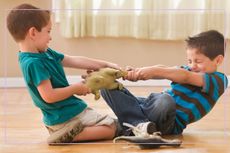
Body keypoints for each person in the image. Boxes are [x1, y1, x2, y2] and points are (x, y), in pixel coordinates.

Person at [6, 3, 121, 144]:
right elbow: (49, 96)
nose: (50, 37)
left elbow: (73, 60)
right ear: (33, 33)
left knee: (111, 123)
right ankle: (69, 134)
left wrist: (105, 64)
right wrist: (76, 88)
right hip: (64, 117)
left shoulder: (45, 52)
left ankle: (66, 131)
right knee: (112, 128)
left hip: (68, 113)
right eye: (48, 31)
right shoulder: (32, 63)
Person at [101, 30, 228, 136]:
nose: (192, 66)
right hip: (149, 109)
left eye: (198, 61)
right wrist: (137, 72)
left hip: (168, 122)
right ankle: (139, 125)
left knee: (165, 100)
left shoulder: (219, 80)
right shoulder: (187, 70)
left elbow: (185, 76)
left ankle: (131, 123)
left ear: (218, 60)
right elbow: (168, 69)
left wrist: (154, 71)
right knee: (106, 85)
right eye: (189, 61)